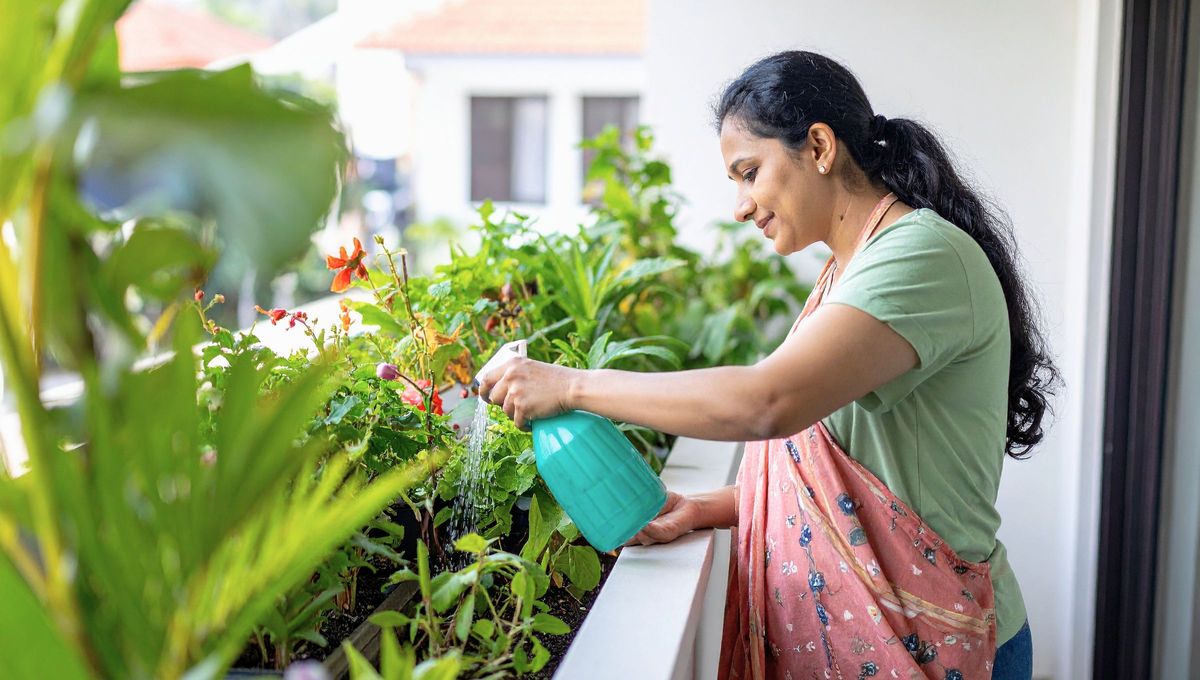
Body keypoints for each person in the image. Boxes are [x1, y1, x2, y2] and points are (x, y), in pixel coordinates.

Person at [477, 50, 1055, 680]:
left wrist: (573, 387)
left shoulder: (921, 255)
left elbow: (767, 402)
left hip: (933, 647)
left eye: (749, 172)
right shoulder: (850, 268)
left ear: (819, 146)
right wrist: (712, 506)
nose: (741, 206)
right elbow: (845, 470)